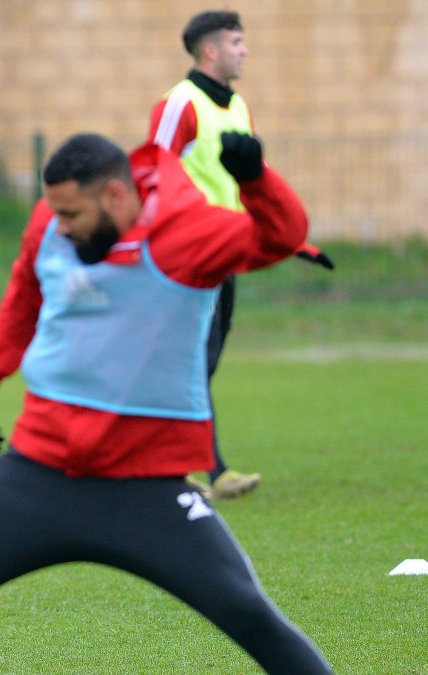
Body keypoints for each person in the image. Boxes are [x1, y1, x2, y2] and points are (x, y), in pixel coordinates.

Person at [0, 133, 332, 674]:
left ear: (116, 197)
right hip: (35, 476)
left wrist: (256, 180)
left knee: (252, 616)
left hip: (147, 487)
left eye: (72, 213)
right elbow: (22, 298)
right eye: (53, 211)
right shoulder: (50, 223)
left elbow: (282, 235)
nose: (59, 225)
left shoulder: (189, 236)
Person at [149, 9, 334, 500]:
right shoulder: (178, 104)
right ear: (210, 49)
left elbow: (257, 177)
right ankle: (190, 470)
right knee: (188, 362)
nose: (244, 50)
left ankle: (201, 468)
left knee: (201, 364)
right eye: (236, 41)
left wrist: (294, 241)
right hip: (188, 258)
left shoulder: (238, 107)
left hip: (227, 255)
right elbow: (155, 173)